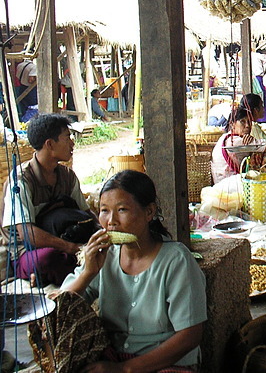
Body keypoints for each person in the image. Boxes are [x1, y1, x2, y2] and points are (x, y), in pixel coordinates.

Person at [42, 170, 207, 372]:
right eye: (104, 210)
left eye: (121, 210)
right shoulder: (105, 256)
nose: (111, 221)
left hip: (164, 362)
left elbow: (190, 336)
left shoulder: (176, 261)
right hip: (112, 356)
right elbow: (59, 307)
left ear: (149, 212)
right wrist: (88, 273)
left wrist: (124, 369)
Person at [1, 114, 92, 286]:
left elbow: (86, 213)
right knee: (47, 259)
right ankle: (48, 270)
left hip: (62, 238)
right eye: (67, 138)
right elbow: (27, 233)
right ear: (50, 144)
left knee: (96, 249)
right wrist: (72, 248)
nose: (72, 143)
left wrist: (102, 232)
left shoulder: (67, 176)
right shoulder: (21, 180)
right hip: (26, 250)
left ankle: (47, 275)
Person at [210, 106, 255, 184]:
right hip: (229, 187)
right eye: (242, 122)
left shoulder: (225, 137)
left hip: (221, 183)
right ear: (232, 124)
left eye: (249, 121)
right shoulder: (236, 141)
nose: (247, 125)